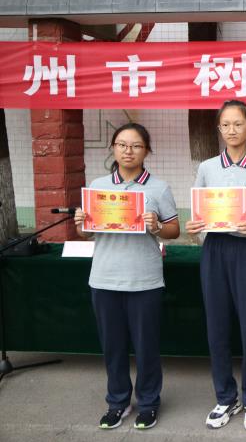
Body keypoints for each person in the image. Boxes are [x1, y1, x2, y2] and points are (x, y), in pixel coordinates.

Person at [74, 123, 180, 430]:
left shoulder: (158, 188)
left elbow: (174, 230)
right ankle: (117, 402)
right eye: (122, 145)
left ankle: (148, 403)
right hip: (104, 278)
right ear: (113, 148)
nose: (128, 151)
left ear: (146, 151)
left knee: (147, 347)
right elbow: (86, 234)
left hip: (144, 280)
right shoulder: (97, 186)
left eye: (136, 146)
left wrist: (156, 225)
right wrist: (81, 223)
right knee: (113, 347)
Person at [184, 100, 246, 431]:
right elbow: (199, 211)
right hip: (214, 249)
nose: (232, 130)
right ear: (219, 129)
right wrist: (193, 225)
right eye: (225, 125)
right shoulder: (207, 168)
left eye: (238, 124)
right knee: (217, 327)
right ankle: (226, 397)